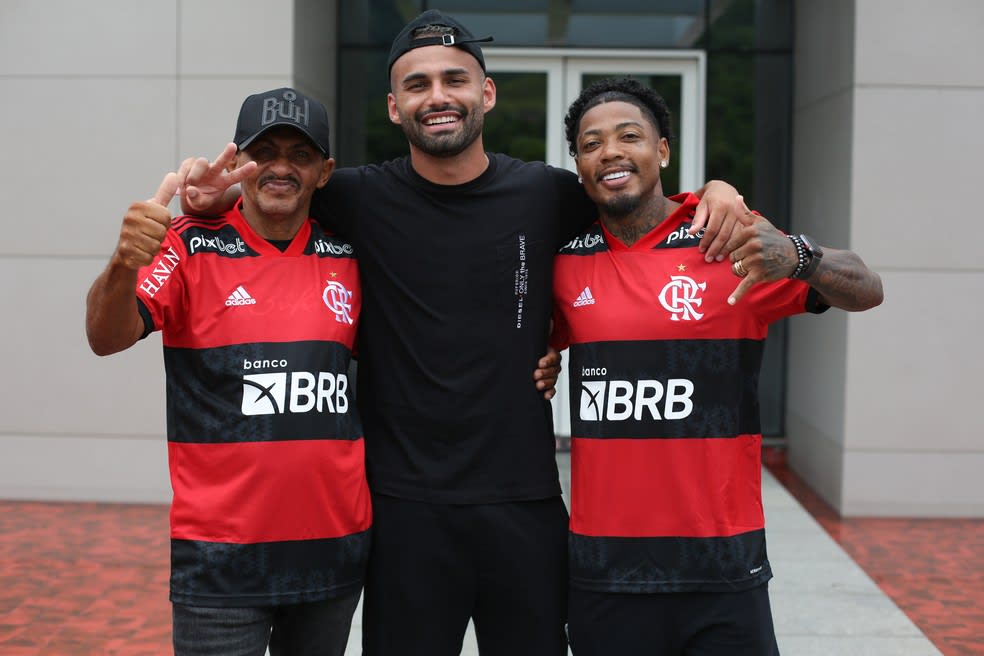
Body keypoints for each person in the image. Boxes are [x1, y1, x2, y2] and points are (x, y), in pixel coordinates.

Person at [177, 12, 745, 656]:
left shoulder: (547, 194)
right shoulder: (355, 198)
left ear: (487, 92)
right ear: (394, 107)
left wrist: (717, 193)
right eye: (417, 85)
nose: (438, 96)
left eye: (455, 79)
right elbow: (277, 189)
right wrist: (212, 201)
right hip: (403, 512)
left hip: (524, 504)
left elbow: (637, 199)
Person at [551, 78, 884, 655]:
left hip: (723, 568)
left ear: (662, 152)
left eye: (629, 136)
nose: (610, 151)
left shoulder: (724, 241)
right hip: (605, 571)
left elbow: (867, 288)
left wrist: (799, 256)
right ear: (578, 164)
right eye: (590, 143)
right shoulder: (564, 262)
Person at [85, 88, 370, 656]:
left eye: (301, 153)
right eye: (264, 152)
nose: (281, 167)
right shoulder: (188, 245)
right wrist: (123, 262)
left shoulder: (351, 255)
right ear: (239, 162)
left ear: (325, 171)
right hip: (220, 560)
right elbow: (104, 337)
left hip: (332, 550)